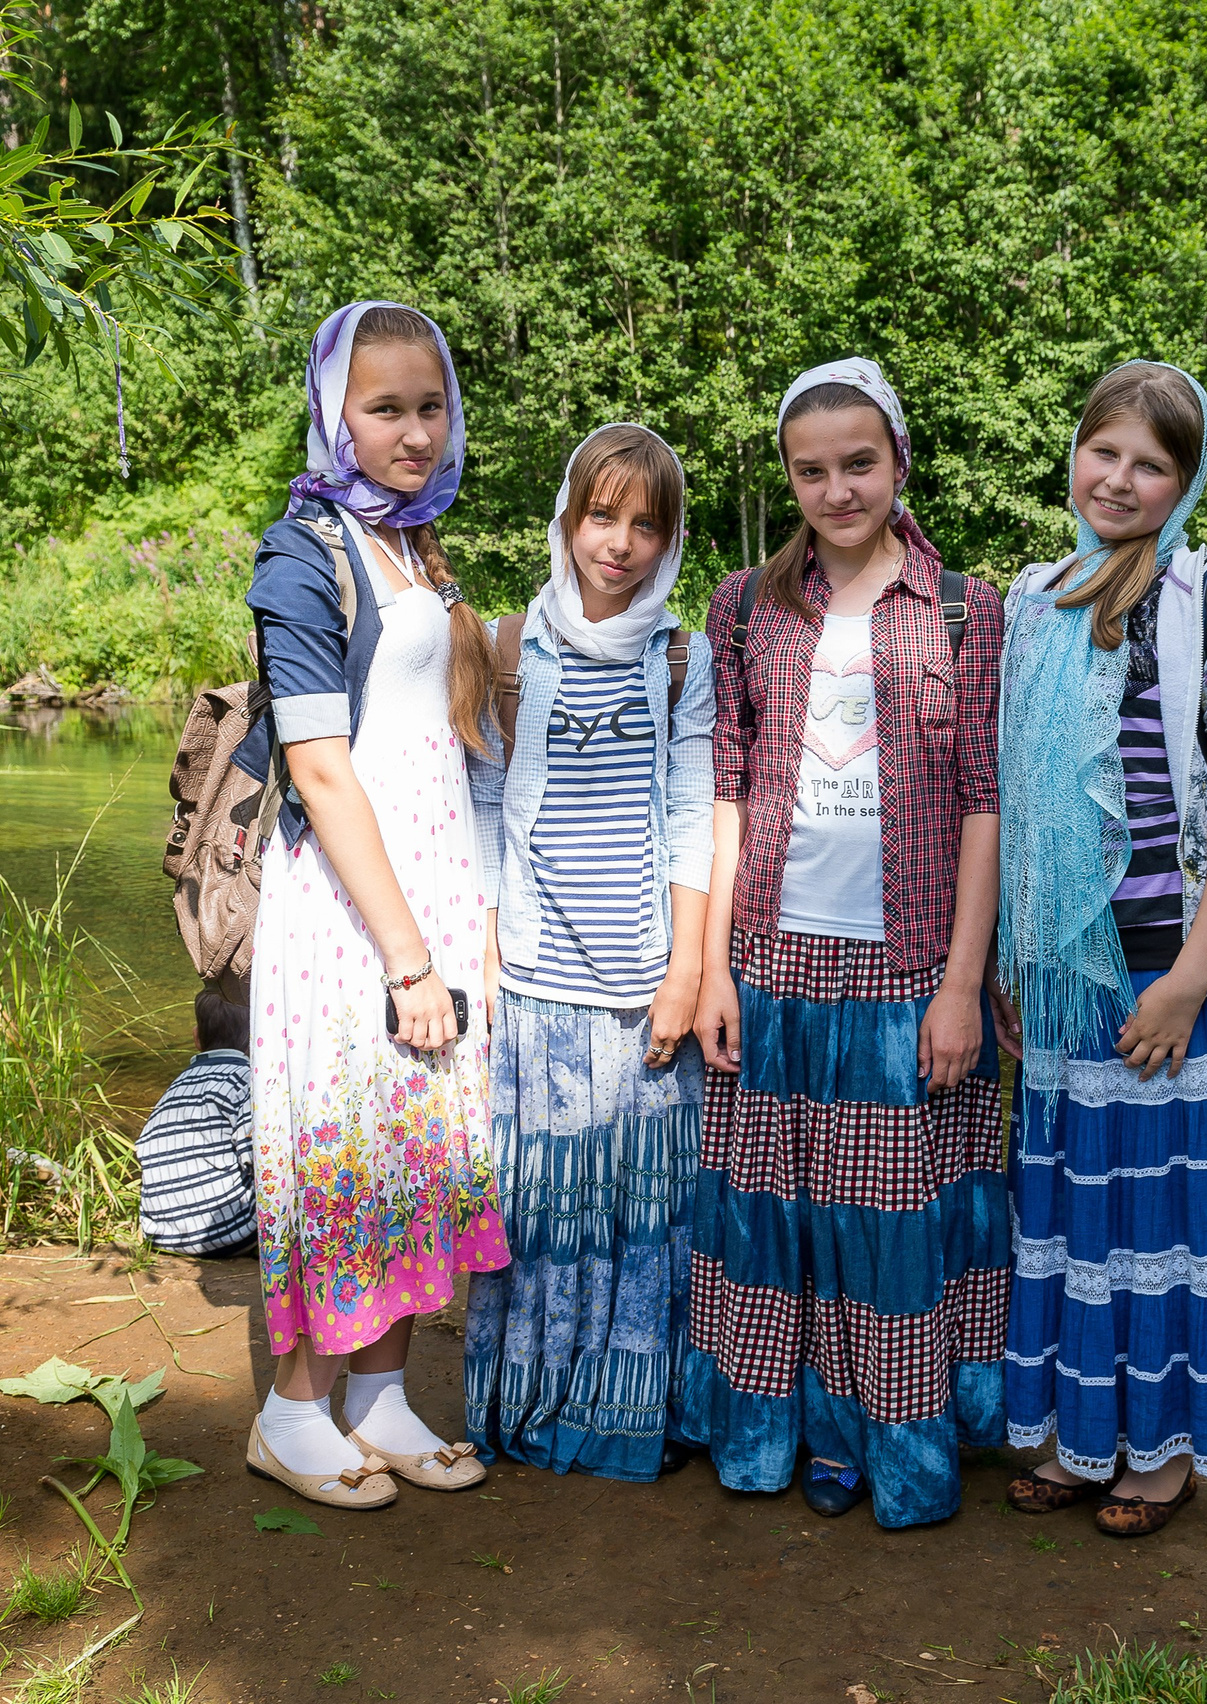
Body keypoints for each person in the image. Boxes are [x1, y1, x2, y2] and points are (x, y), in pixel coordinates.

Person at [682, 357, 1010, 1529]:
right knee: (780, 1227)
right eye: (811, 471)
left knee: (885, 1233)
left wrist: (962, 984)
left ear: (900, 463)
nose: (836, 490)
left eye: (858, 464)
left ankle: (904, 1449)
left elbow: (983, 798)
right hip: (771, 961)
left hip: (905, 968)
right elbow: (722, 787)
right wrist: (713, 964)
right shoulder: (743, 606)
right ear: (789, 479)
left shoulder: (968, 608)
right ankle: (801, 1438)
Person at [994, 361, 1207, 1537]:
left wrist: (1178, 986)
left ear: (1184, 481)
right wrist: (1017, 964)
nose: (1117, 479)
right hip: (1065, 980)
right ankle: (1079, 1432)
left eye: (1149, 463)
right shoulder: (1037, 596)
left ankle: (1159, 1456)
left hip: (1170, 976)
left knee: (1165, 1227)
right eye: (1102, 450)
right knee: (1071, 1216)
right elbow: (1014, 797)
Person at [239, 301, 508, 1510]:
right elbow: (319, 765)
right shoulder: (305, 550)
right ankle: (293, 1408)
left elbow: (438, 714)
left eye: (428, 405)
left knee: (417, 1142)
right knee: (340, 1141)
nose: (410, 431)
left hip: (434, 890)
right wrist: (406, 957)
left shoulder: (417, 543)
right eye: (383, 407)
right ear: (334, 412)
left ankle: (382, 1397)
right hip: (355, 914)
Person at [463, 423, 716, 1481]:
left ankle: (628, 1414)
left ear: (669, 538)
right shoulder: (505, 646)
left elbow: (693, 812)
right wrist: (480, 958)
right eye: (599, 516)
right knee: (536, 1211)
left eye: (643, 524)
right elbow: (478, 808)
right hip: (532, 985)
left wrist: (688, 972)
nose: (618, 543)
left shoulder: (680, 656)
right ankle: (525, 1403)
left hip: (645, 985)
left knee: (645, 1214)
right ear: (566, 519)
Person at [135, 987, 258, 1258]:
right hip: (229, 1233)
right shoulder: (246, 1080)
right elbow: (258, 1158)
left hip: (161, 1234)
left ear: (197, 1038)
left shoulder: (175, 1088)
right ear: (256, 1038)